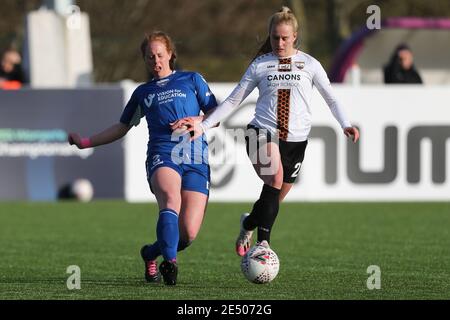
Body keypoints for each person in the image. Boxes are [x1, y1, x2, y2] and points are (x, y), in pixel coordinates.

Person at [171, 7, 360, 256]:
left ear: (295, 36)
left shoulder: (310, 65)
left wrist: (345, 123)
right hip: (261, 133)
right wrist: (204, 125)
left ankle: (248, 223)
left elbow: (332, 99)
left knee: (273, 199)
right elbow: (232, 101)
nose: (279, 43)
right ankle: (263, 244)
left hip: (296, 141)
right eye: (274, 37)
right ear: (269, 36)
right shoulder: (261, 65)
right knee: (274, 179)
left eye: (284, 38)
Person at [68, 31, 218, 285]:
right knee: (170, 199)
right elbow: (121, 127)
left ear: (170, 54)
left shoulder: (191, 79)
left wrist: (199, 120)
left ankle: (151, 253)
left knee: (188, 234)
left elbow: (215, 111)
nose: (155, 61)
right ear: (145, 60)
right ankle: (170, 265)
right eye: (150, 57)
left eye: (160, 55)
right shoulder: (142, 93)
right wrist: (86, 142)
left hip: (196, 159)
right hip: (162, 155)